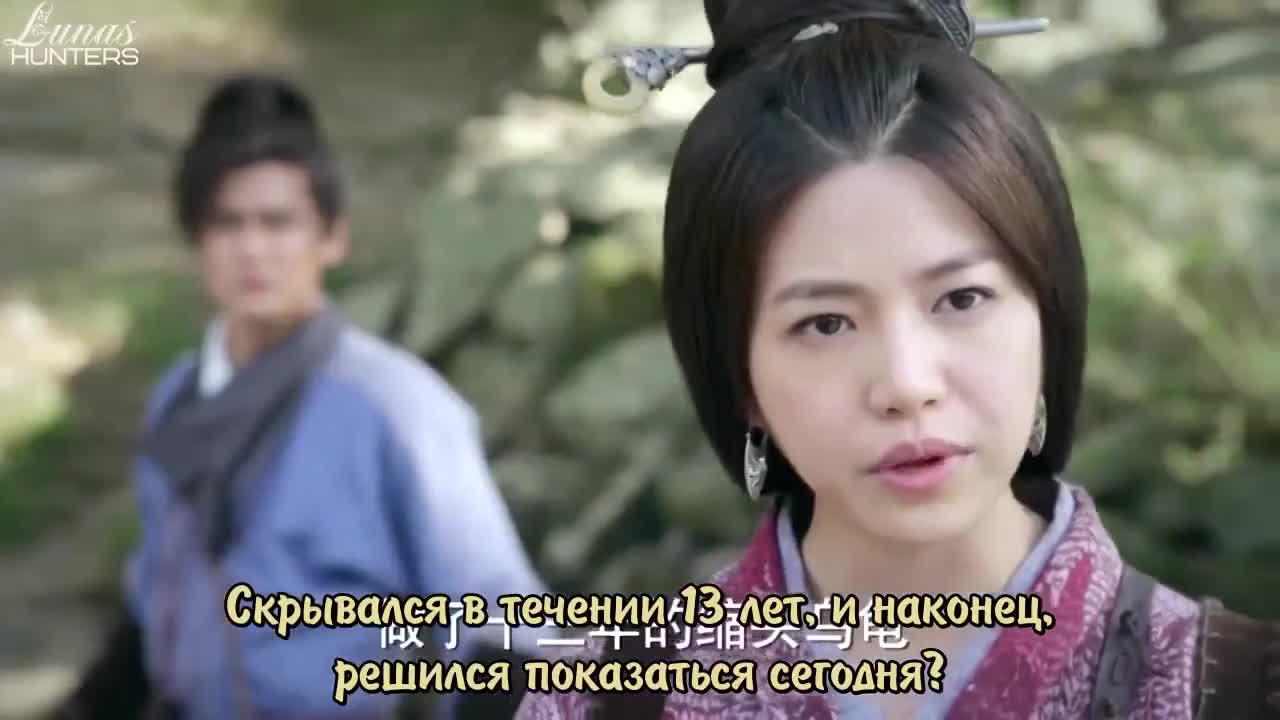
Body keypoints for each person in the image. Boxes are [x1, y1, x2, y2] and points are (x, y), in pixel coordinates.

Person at [519, 1, 1280, 719]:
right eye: (824, 323)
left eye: (961, 299)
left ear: (1047, 313)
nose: (908, 385)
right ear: (738, 375)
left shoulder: (1239, 690)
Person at [54, 73, 550, 720]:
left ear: (332, 236)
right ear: (196, 239)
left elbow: (501, 621)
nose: (253, 250)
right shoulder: (178, 395)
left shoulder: (395, 407)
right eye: (227, 223)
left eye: (279, 222)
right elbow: (157, 602)